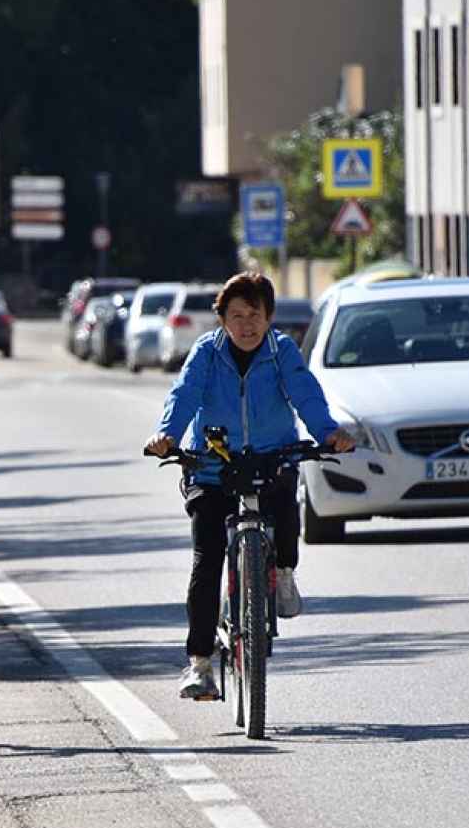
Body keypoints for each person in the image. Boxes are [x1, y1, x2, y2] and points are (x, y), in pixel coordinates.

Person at [145, 272, 354, 700]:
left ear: (269, 316)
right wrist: (167, 436)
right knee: (207, 561)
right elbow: (183, 396)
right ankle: (200, 665)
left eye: (254, 314)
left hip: (270, 458)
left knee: (285, 510)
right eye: (236, 315)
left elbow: (306, 395)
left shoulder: (282, 353)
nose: (246, 325)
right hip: (212, 465)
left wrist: (328, 432)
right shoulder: (206, 352)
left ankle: (283, 573)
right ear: (222, 320)